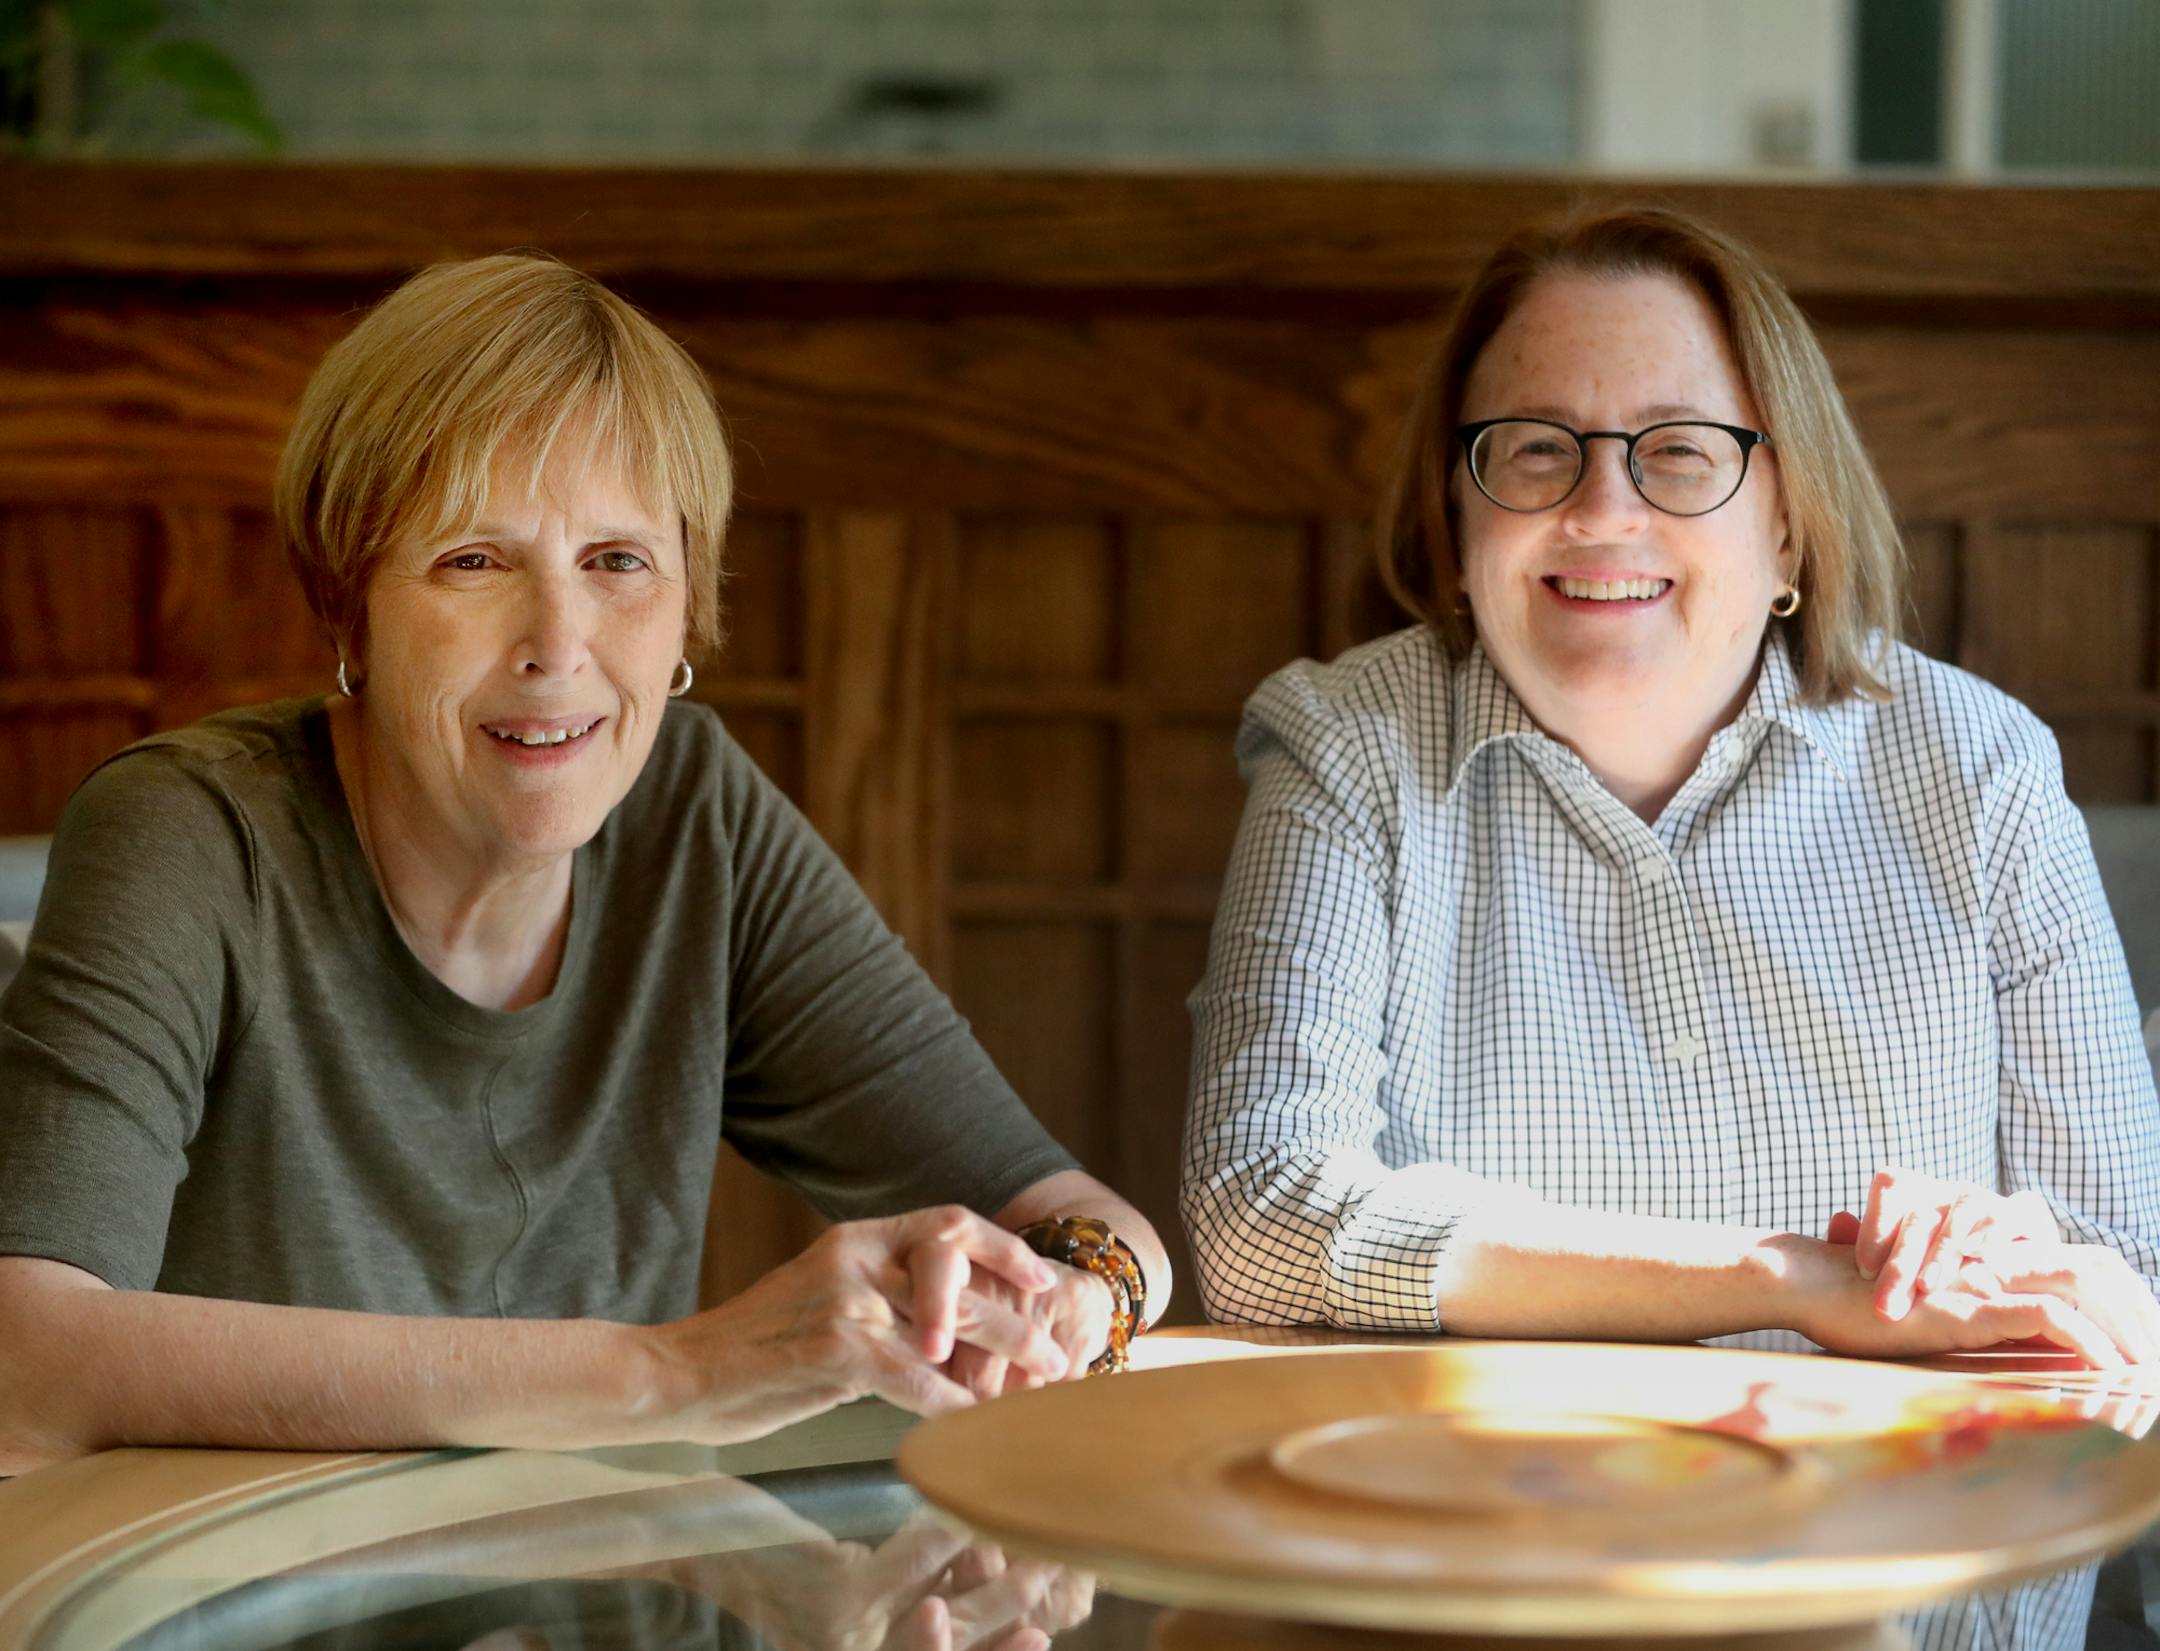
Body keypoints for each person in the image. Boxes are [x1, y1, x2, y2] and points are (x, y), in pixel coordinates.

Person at [0, 253, 1167, 1481]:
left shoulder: (695, 814)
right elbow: (28, 1355)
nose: (557, 646)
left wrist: (1063, 1310)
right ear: (349, 609)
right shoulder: (189, 833)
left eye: (617, 562)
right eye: (473, 560)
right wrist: (683, 1372)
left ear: (685, 615)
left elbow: (1074, 1211)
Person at [1181, 206, 2159, 1649]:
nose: (1600, 511)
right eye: (1534, 449)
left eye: (1680, 452)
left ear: (1788, 526)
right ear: (1458, 527)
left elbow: (2120, 1273)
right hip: (1485, 1610)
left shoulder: (1980, 769)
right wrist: (1784, 1280)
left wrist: (2017, 1272)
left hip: (1923, 1605)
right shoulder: (1349, 746)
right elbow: (1259, 1210)